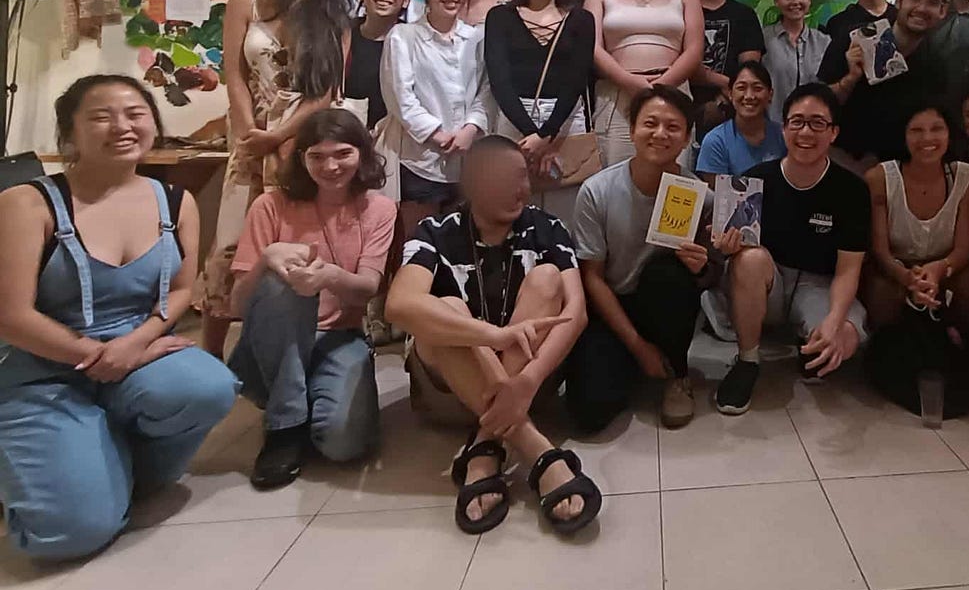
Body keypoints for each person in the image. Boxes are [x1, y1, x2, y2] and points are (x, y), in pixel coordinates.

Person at [0, 76, 238, 560]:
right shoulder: (28, 203)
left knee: (207, 386)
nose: (122, 126)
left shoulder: (175, 201)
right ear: (69, 133)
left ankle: (97, 460)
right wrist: (94, 355)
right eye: (101, 116)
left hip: (135, 352)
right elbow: (10, 315)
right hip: (39, 370)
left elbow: (180, 290)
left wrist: (136, 345)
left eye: (135, 114)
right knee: (70, 535)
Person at [387, 137, 601, 536]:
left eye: (520, 176)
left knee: (548, 278)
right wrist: (493, 336)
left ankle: (486, 446)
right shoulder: (434, 231)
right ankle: (535, 447)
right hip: (448, 388)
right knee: (445, 306)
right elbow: (399, 306)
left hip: (528, 387)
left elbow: (576, 313)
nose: (515, 188)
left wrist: (527, 382)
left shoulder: (547, 227)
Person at [201, 0, 352, 357]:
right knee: (230, 243)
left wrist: (280, 136)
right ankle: (212, 355)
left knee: (292, 244)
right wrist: (251, 133)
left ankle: (283, 349)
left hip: (304, 142)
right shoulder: (245, 3)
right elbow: (234, 76)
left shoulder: (334, 14)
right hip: (251, 136)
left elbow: (325, 93)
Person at [228, 110, 396, 488]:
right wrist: (268, 258)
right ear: (300, 158)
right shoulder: (269, 206)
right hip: (270, 339)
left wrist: (330, 277)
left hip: (341, 336)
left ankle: (298, 396)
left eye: (342, 154)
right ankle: (285, 424)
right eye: (316, 156)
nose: (330, 166)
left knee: (343, 445)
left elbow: (369, 287)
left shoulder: (379, 209)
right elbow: (238, 304)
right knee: (281, 277)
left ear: (363, 154)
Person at [713, 83, 872, 415]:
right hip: (770, 282)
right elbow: (733, 254)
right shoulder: (754, 182)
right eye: (797, 122)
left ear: (833, 132)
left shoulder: (853, 190)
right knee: (751, 258)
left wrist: (834, 320)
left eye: (817, 123)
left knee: (843, 338)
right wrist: (728, 249)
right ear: (783, 129)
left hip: (819, 284)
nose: (806, 132)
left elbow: (848, 269)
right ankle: (747, 361)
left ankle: (811, 344)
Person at [564, 85, 712, 431]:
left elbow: (707, 279)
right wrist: (636, 346)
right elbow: (592, 278)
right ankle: (634, 360)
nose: (660, 134)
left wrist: (703, 266)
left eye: (673, 127)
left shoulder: (698, 197)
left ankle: (677, 374)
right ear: (632, 130)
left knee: (668, 274)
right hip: (609, 306)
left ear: (688, 137)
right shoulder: (596, 191)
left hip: (661, 303)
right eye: (650, 123)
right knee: (588, 416)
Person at [484, 0, 596, 224]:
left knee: (565, 214)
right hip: (513, 120)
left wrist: (546, 135)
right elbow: (499, 80)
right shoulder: (500, 17)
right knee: (511, 210)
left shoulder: (581, 19)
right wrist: (532, 134)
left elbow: (576, 80)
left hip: (565, 123)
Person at [584, 0, 704, 167]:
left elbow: (694, 51)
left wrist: (659, 88)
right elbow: (592, 48)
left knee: (674, 187)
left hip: (673, 95)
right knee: (616, 185)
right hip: (616, 98)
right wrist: (632, 83)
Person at [381, 0, 489, 235]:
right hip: (420, 160)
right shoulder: (402, 36)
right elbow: (400, 97)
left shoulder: (477, 37)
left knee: (463, 247)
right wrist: (437, 134)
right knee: (419, 244)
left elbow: (486, 91)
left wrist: (470, 128)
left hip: (469, 160)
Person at [819, 0, 951, 170]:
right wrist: (851, 78)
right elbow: (819, 105)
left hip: (897, 173)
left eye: (932, 3)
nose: (922, 8)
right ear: (899, 0)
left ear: (942, 11)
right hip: (839, 163)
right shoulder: (853, 38)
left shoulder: (936, 64)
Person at [862, 105, 969, 329]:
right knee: (881, 295)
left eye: (937, 129)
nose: (927, 138)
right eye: (916, 130)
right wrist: (907, 277)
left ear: (950, 134)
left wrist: (938, 269)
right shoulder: (879, 177)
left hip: (946, 265)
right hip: (894, 268)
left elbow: (964, 250)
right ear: (903, 135)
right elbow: (880, 251)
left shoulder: (965, 175)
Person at [689, 0, 765, 135]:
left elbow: (749, 70)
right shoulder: (676, 13)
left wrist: (723, 100)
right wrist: (726, 82)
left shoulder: (744, 15)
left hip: (731, 115)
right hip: (681, 110)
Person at [344, 0, 411, 131]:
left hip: (397, 138)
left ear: (406, 1)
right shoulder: (342, 35)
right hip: (350, 134)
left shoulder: (413, 41)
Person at [696, 60, 787, 178]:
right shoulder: (715, 141)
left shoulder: (784, 135)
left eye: (757, 88)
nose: (749, 96)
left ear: (770, 94)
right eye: (741, 88)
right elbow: (716, 193)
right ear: (730, 94)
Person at [762, 0, 831, 122]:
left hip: (812, 128)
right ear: (776, 2)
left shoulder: (824, 42)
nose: (795, 2)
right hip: (772, 128)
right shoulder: (763, 39)